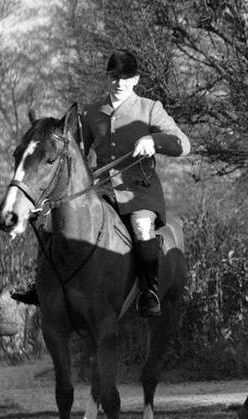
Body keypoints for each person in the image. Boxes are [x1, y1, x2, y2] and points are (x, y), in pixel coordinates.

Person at [12, 49, 191, 318]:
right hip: (100, 187)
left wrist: (154, 141)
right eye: (114, 77)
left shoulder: (150, 109)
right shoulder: (93, 112)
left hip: (137, 191)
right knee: (53, 220)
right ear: (108, 78)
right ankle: (40, 284)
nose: (119, 83)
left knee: (142, 228)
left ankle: (149, 290)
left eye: (125, 78)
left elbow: (183, 144)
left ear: (135, 80)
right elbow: (74, 152)